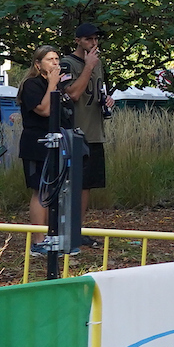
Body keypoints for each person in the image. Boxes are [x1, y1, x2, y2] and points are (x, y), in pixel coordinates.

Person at [15, 47, 65, 229]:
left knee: (53, 190)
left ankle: (52, 234)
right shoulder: (31, 84)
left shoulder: (57, 84)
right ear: (38, 64)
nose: (55, 62)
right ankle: (38, 239)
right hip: (36, 144)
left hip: (56, 142)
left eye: (57, 58)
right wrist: (52, 84)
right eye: (50, 59)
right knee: (40, 190)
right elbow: (44, 110)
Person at [68, 22, 111, 218]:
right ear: (78, 41)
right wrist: (88, 66)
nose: (93, 43)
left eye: (96, 39)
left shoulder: (98, 63)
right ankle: (70, 230)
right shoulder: (67, 63)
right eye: (88, 39)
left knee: (88, 185)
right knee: (75, 183)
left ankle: (79, 229)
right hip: (76, 132)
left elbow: (98, 91)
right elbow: (74, 94)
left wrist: (108, 101)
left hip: (95, 131)